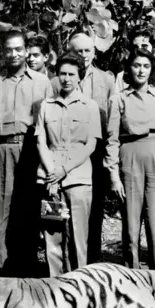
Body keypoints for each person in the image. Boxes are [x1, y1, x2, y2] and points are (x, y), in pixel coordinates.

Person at [0, 30, 53, 274]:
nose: (14, 54)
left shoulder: (42, 83)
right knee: (1, 213)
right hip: (0, 149)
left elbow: (51, 124)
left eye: (18, 49)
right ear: (2, 51)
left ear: (25, 50)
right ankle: (1, 272)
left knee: (29, 211)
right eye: (9, 49)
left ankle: (27, 269)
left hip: (31, 150)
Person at [106, 48, 155, 270]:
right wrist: (113, 175)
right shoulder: (118, 99)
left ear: (152, 70)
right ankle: (132, 275)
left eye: (146, 66)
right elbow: (112, 139)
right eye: (137, 65)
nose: (141, 70)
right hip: (129, 158)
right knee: (131, 225)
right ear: (129, 68)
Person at [52, 32, 115, 264]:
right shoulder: (58, 80)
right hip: (66, 151)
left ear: (95, 52)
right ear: (69, 53)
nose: (84, 55)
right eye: (78, 51)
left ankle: (93, 261)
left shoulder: (106, 80)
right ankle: (65, 263)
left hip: (95, 150)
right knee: (63, 208)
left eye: (88, 50)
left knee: (94, 207)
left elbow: (112, 119)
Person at [35, 53, 101, 276]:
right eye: (62, 73)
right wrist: (52, 172)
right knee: (53, 234)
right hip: (51, 180)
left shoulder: (90, 106)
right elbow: (41, 141)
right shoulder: (46, 105)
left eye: (71, 74)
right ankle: (56, 285)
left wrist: (64, 170)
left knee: (77, 236)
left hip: (78, 179)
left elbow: (90, 144)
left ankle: (78, 283)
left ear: (79, 77)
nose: (66, 78)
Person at [115, 27, 155, 91]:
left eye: (144, 46)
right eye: (135, 47)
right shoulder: (122, 76)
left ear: (153, 48)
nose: (139, 50)